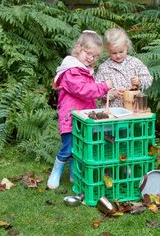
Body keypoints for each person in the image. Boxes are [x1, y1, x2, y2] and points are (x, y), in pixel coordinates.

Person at [47, 30, 112, 189]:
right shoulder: (71, 70)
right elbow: (83, 90)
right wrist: (103, 87)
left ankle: (74, 174)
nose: (91, 58)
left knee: (80, 147)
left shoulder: (84, 69)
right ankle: (56, 171)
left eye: (95, 56)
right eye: (88, 53)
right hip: (71, 117)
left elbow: (88, 93)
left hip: (83, 117)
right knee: (68, 147)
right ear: (79, 47)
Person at [95, 27, 153, 108]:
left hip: (134, 109)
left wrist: (139, 82)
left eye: (121, 51)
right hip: (113, 112)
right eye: (114, 53)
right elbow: (97, 91)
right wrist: (113, 93)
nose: (118, 55)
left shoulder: (135, 63)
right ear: (108, 50)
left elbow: (148, 79)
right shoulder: (104, 68)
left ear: (127, 47)